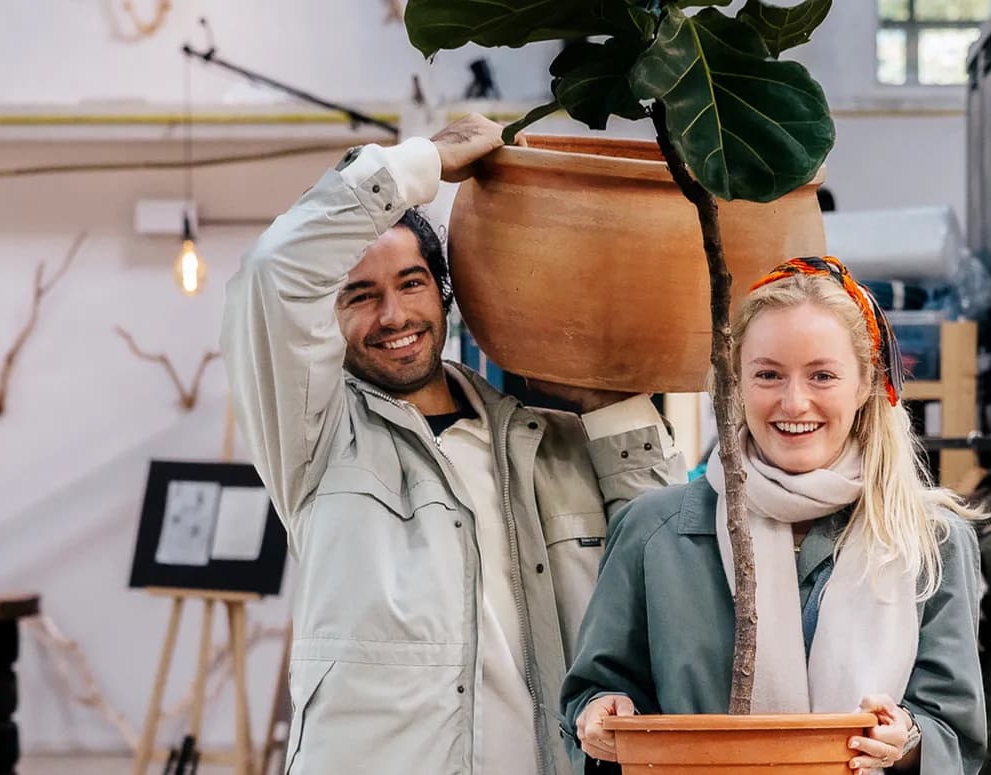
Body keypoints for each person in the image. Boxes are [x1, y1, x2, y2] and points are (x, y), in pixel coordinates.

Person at [221, 114, 686, 775]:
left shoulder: (555, 445)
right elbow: (274, 269)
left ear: (444, 295)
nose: (393, 316)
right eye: (360, 295)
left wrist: (606, 393)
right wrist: (423, 163)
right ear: (330, 315)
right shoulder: (316, 440)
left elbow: (663, 562)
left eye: (411, 283)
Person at [561, 256, 988, 774]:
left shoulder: (931, 540)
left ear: (865, 385)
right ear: (735, 383)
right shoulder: (653, 532)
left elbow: (955, 734)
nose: (795, 402)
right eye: (768, 374)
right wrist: (598, 713)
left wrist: (908, 739)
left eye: (822, 376)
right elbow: (594, 693)